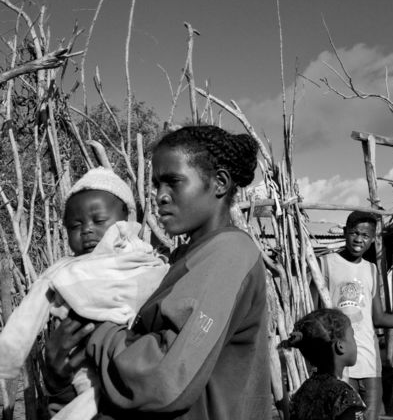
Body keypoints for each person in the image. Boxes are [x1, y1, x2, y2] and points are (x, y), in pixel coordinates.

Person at [44, 125, 272, 419]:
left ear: (220, 183)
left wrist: (96, 332)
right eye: (156, 185)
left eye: (173, 182)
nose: (160, 196)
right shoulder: (181, 258)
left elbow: (163, 378)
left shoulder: (229, 253)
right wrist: (59, 375)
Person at [1, 167, 168, 420]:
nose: (87, 230)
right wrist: (7, 359)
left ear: (126, 218)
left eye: (99, 221)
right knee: (85, 403)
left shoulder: (143, 257)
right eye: (75, 225)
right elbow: (27, 316)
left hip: (135, 357)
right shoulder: (63, 270)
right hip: (81, 363)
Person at [320, 211, 393, 420]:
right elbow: (315, 317)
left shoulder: (370, 270)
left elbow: (378, 319)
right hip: (339, 363)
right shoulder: (325, 264)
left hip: (369, 362)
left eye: (366, 235)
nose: (359, 239)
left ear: (372, 239)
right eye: (354, 233)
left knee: (371, 417)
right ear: (345, 232)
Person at [281, 308, 366, 420]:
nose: (355, 342)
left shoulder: (303, 391)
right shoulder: (345, 396)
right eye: (352, 336)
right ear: (340, 346)